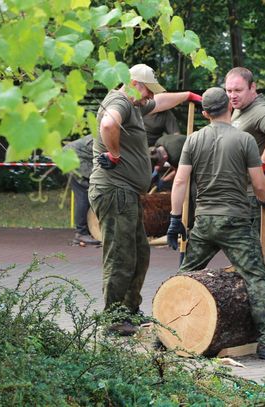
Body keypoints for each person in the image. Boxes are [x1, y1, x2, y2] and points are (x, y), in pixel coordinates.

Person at [166, 87, 265, 360]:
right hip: (235, 220)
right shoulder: (245, 140)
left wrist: (175, 219)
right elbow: (259, 183)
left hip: (203, 221)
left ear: (204, 113)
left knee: (185, 275)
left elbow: (179, 181)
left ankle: (166, 333)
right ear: (229, 108)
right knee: (257, 277)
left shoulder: (193, 139)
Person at [88, 63, 202, 335]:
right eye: (148, 91)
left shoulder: (135, 104)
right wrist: (114, 154)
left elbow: (159, 102)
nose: (150, 97)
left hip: (127, 194)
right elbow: (108, 123)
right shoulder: (120, 101)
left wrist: (186, 96)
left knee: (139, 253)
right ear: (135, 83)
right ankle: (113, 318)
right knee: (121, 255)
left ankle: (129, 310)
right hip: (115, 191)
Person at [225, 67, 265, 263]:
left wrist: (262, 164)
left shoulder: (260, 110)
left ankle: (263, 291)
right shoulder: (240, 109)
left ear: (252, 88)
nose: (232, 96)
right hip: (245, 194)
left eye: (238, 90)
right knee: (253, 251)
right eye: (228, 91)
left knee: (249, 253)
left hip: (258, 197)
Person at [63, 135, 101, 246]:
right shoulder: (108, 136)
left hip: (74, 157)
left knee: (89, 194)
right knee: (84, 195)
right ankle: (81, 233)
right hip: (73, 158)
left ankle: (87, 230)